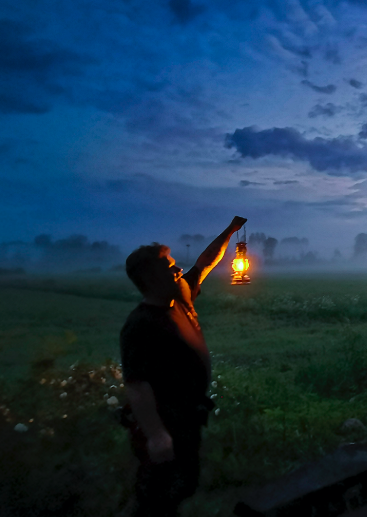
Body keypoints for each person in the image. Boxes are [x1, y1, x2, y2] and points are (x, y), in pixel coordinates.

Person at [119, 216, 247, 517]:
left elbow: (204, 264)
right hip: (166, 423)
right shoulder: (140, 325)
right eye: (170, 267)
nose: (178, 270)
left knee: (183, 484)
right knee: (156, 496)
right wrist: (156, 434)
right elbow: (137, 386)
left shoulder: (181, 298)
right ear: (151, 278)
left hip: (188, 417)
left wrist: (229, 232)